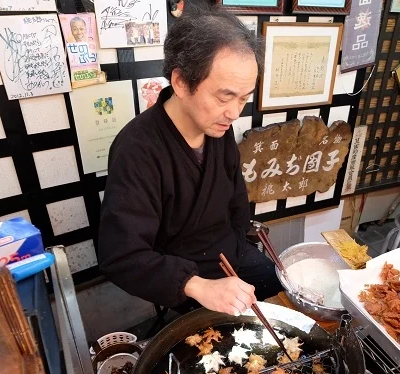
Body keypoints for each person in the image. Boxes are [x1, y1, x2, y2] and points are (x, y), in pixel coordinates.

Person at [98, 4, 282, 318]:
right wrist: (197, 285)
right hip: (183, 277)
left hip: (232, 256)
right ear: (182, 82)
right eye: (225, 97)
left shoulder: (217, 128)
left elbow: (237, 204)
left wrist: (238, 247)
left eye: (244, 98)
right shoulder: (137, 150)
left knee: (283, 297)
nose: (235, 113)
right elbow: (122, 255)